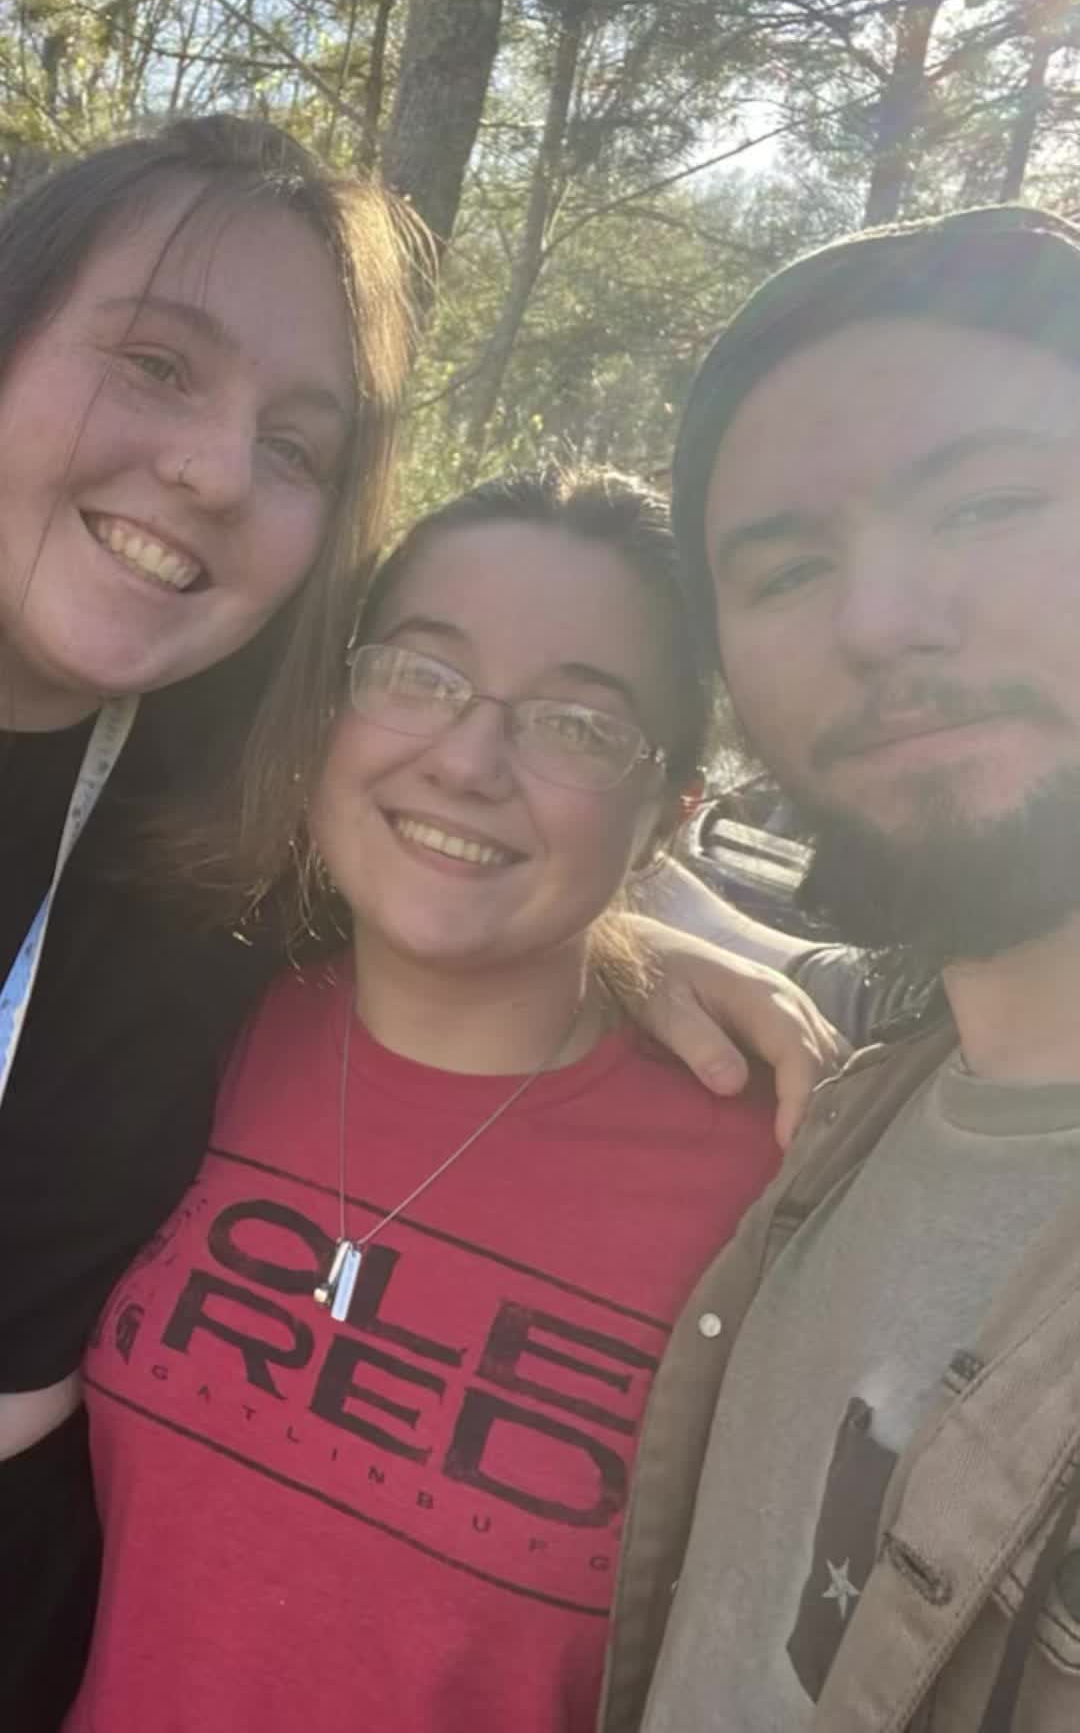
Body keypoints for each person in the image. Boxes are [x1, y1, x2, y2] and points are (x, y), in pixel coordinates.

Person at [0, 112, 838, 1729]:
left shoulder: (214, 847)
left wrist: (618, 932)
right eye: (157, 364)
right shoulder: (257, 910)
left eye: (299, 448)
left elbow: (460, 859)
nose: (214, 469)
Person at [66, 469, 782, 1733]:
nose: (465, 760)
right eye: (419, 673)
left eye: (577, 725)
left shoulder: (764, 1183)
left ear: (668, 818)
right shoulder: (199, 1018)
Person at [600, 203, 1080, 1733]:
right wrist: (605, 936)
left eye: (988, 505)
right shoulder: (874, 1086)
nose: (878, 623)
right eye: (789, 570)